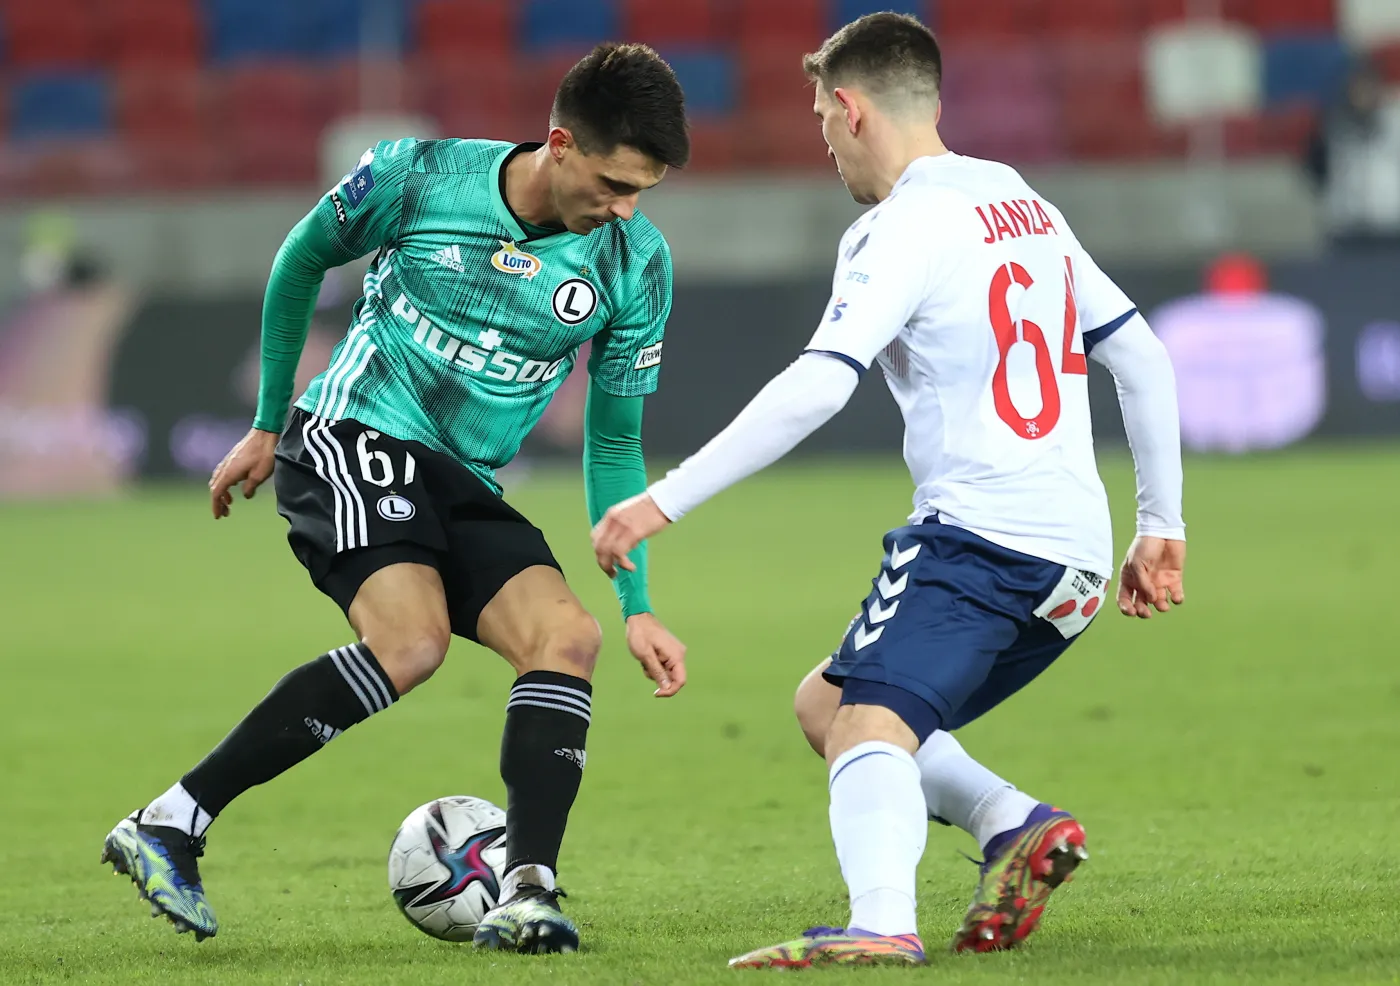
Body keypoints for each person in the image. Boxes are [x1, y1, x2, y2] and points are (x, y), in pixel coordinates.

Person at [591, 13, 1185, 968]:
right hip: (1071, 560)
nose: (826, 142)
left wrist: (667, 497)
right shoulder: (1020, 200)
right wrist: (1163, 526)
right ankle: (1013, 826)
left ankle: (879, 928)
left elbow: (824, 381)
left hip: (981, 540)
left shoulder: (897, 227)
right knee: (827, 705)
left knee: (867, 720)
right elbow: (1144, 359)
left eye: (824, 118)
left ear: (852, 109)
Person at [101, 42, 690, 955]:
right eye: (614, 183)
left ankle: (528, 890)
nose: (625, 208)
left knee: (569, 639)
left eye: (642, 191)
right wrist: (266, 423)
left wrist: (639, 601)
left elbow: (614, 441)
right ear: (561, 142)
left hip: (464, 479)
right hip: (354, 434)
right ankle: (172, 819)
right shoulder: (419, 177)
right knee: (409, 646)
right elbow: (300, 262)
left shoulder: (634, 262)